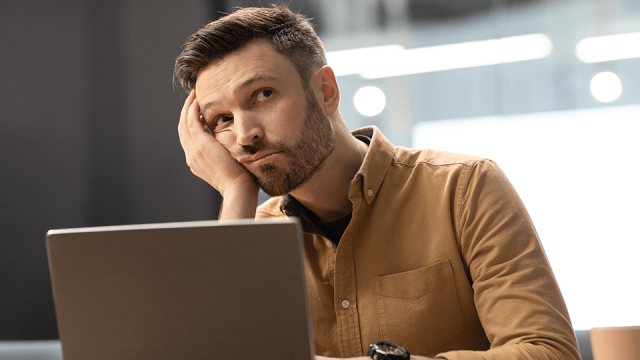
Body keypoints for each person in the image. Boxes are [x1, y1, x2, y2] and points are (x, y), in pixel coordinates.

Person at [175, 6, 580, 360]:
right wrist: (236, 192)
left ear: (327, 91)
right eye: (221, 120)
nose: (245, 135)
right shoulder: (252, 235)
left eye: (263, 94)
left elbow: (548, 351)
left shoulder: (463, 188)